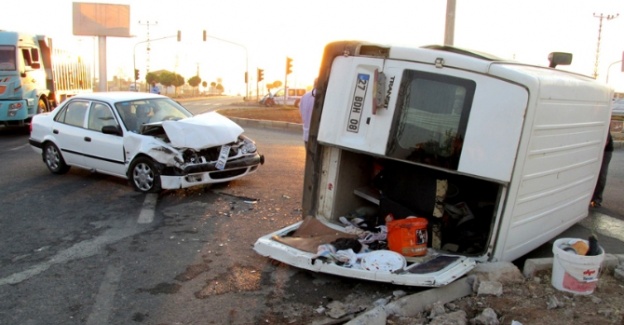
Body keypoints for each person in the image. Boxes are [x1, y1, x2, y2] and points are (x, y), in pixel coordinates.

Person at [591, 132, 613, 207]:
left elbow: (606, 140)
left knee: (601, 174)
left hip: (605, 150)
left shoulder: (606, 123)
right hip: (594, 148)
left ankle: (596, 199)